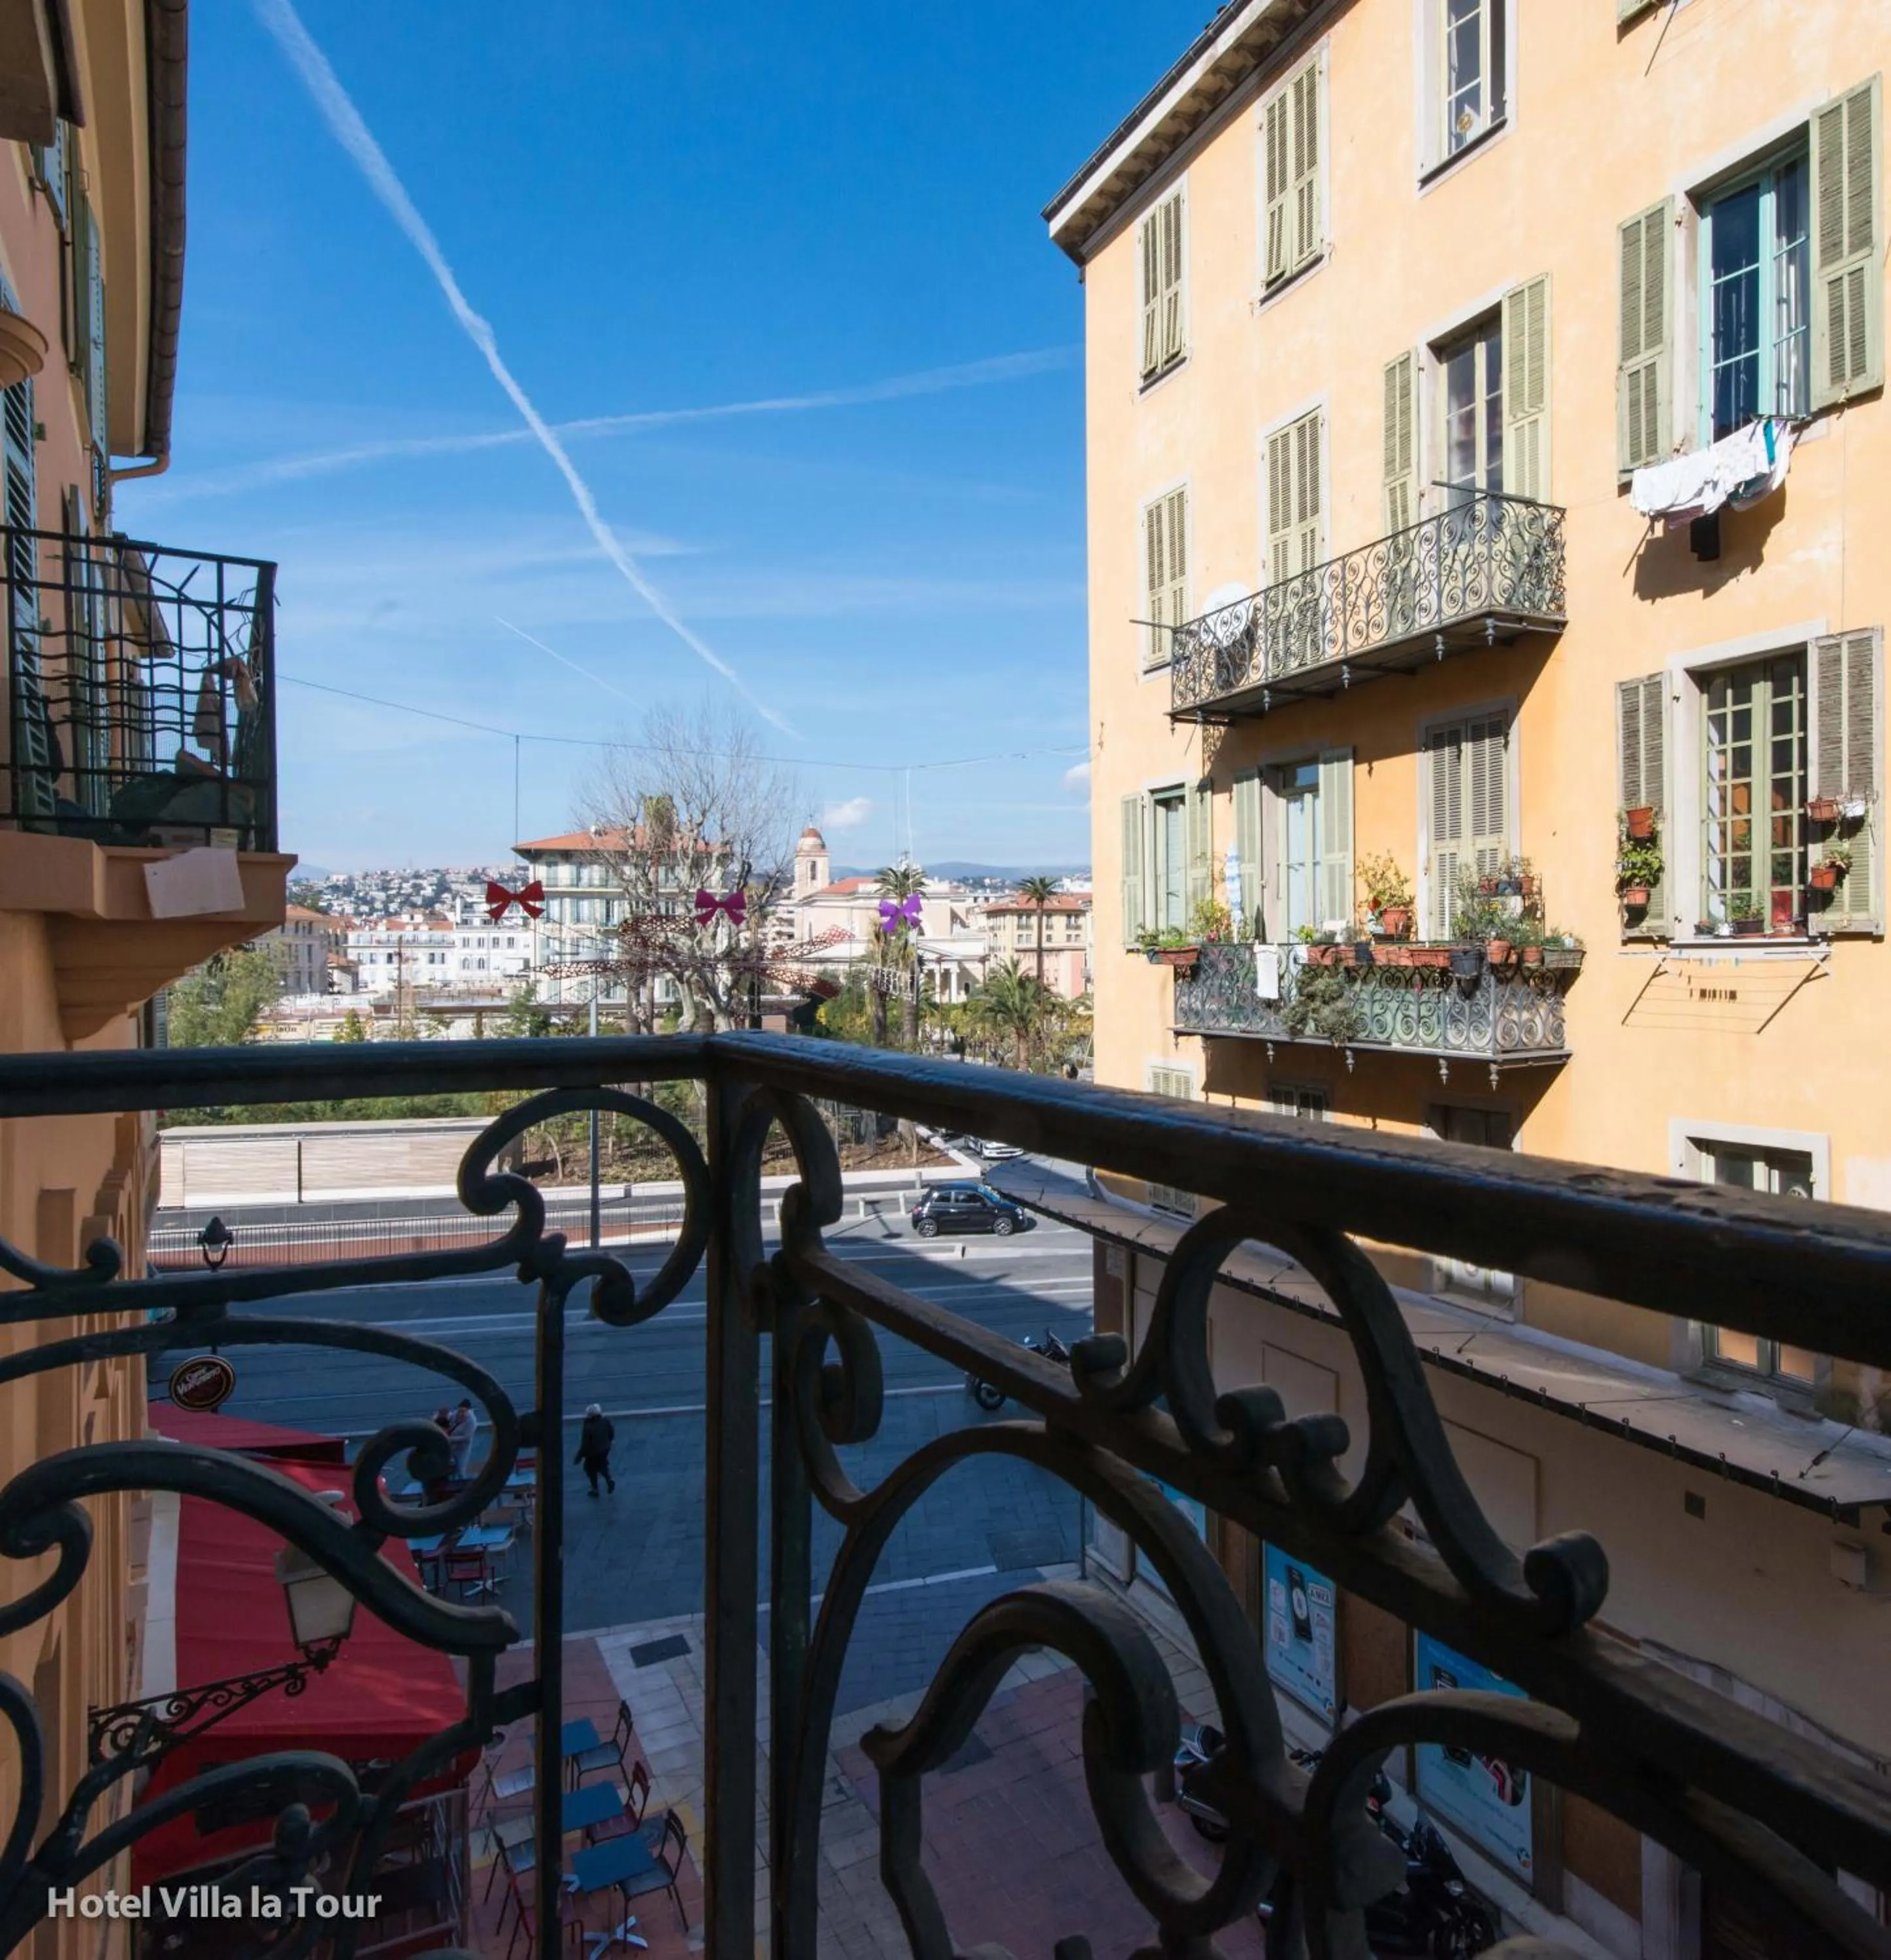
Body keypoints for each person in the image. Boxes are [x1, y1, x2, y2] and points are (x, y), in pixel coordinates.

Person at [576, 1403, 616, 1497]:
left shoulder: (588, 1427)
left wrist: (579, 1456)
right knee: (603, 1465)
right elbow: (611, 1432)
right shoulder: (606, 1421)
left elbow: (585, 1444)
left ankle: (595, 1489)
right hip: (605, 1448)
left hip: (592, 1452)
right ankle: (609, 1479)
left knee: (590, 1469)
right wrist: (610, 1441)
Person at [445, 1398, 478, 1478]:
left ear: (468, 1411)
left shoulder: (472, 1422)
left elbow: (467, 1438)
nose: (461, 1413)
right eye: (460, 1411)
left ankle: (461, 1483)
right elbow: (448, 1419)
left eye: (463, 1411)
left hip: (463, 1449)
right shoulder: (455, 1415)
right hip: (451, 1446)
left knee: (461, 1469)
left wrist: (450, 1439)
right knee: (449, 1468)